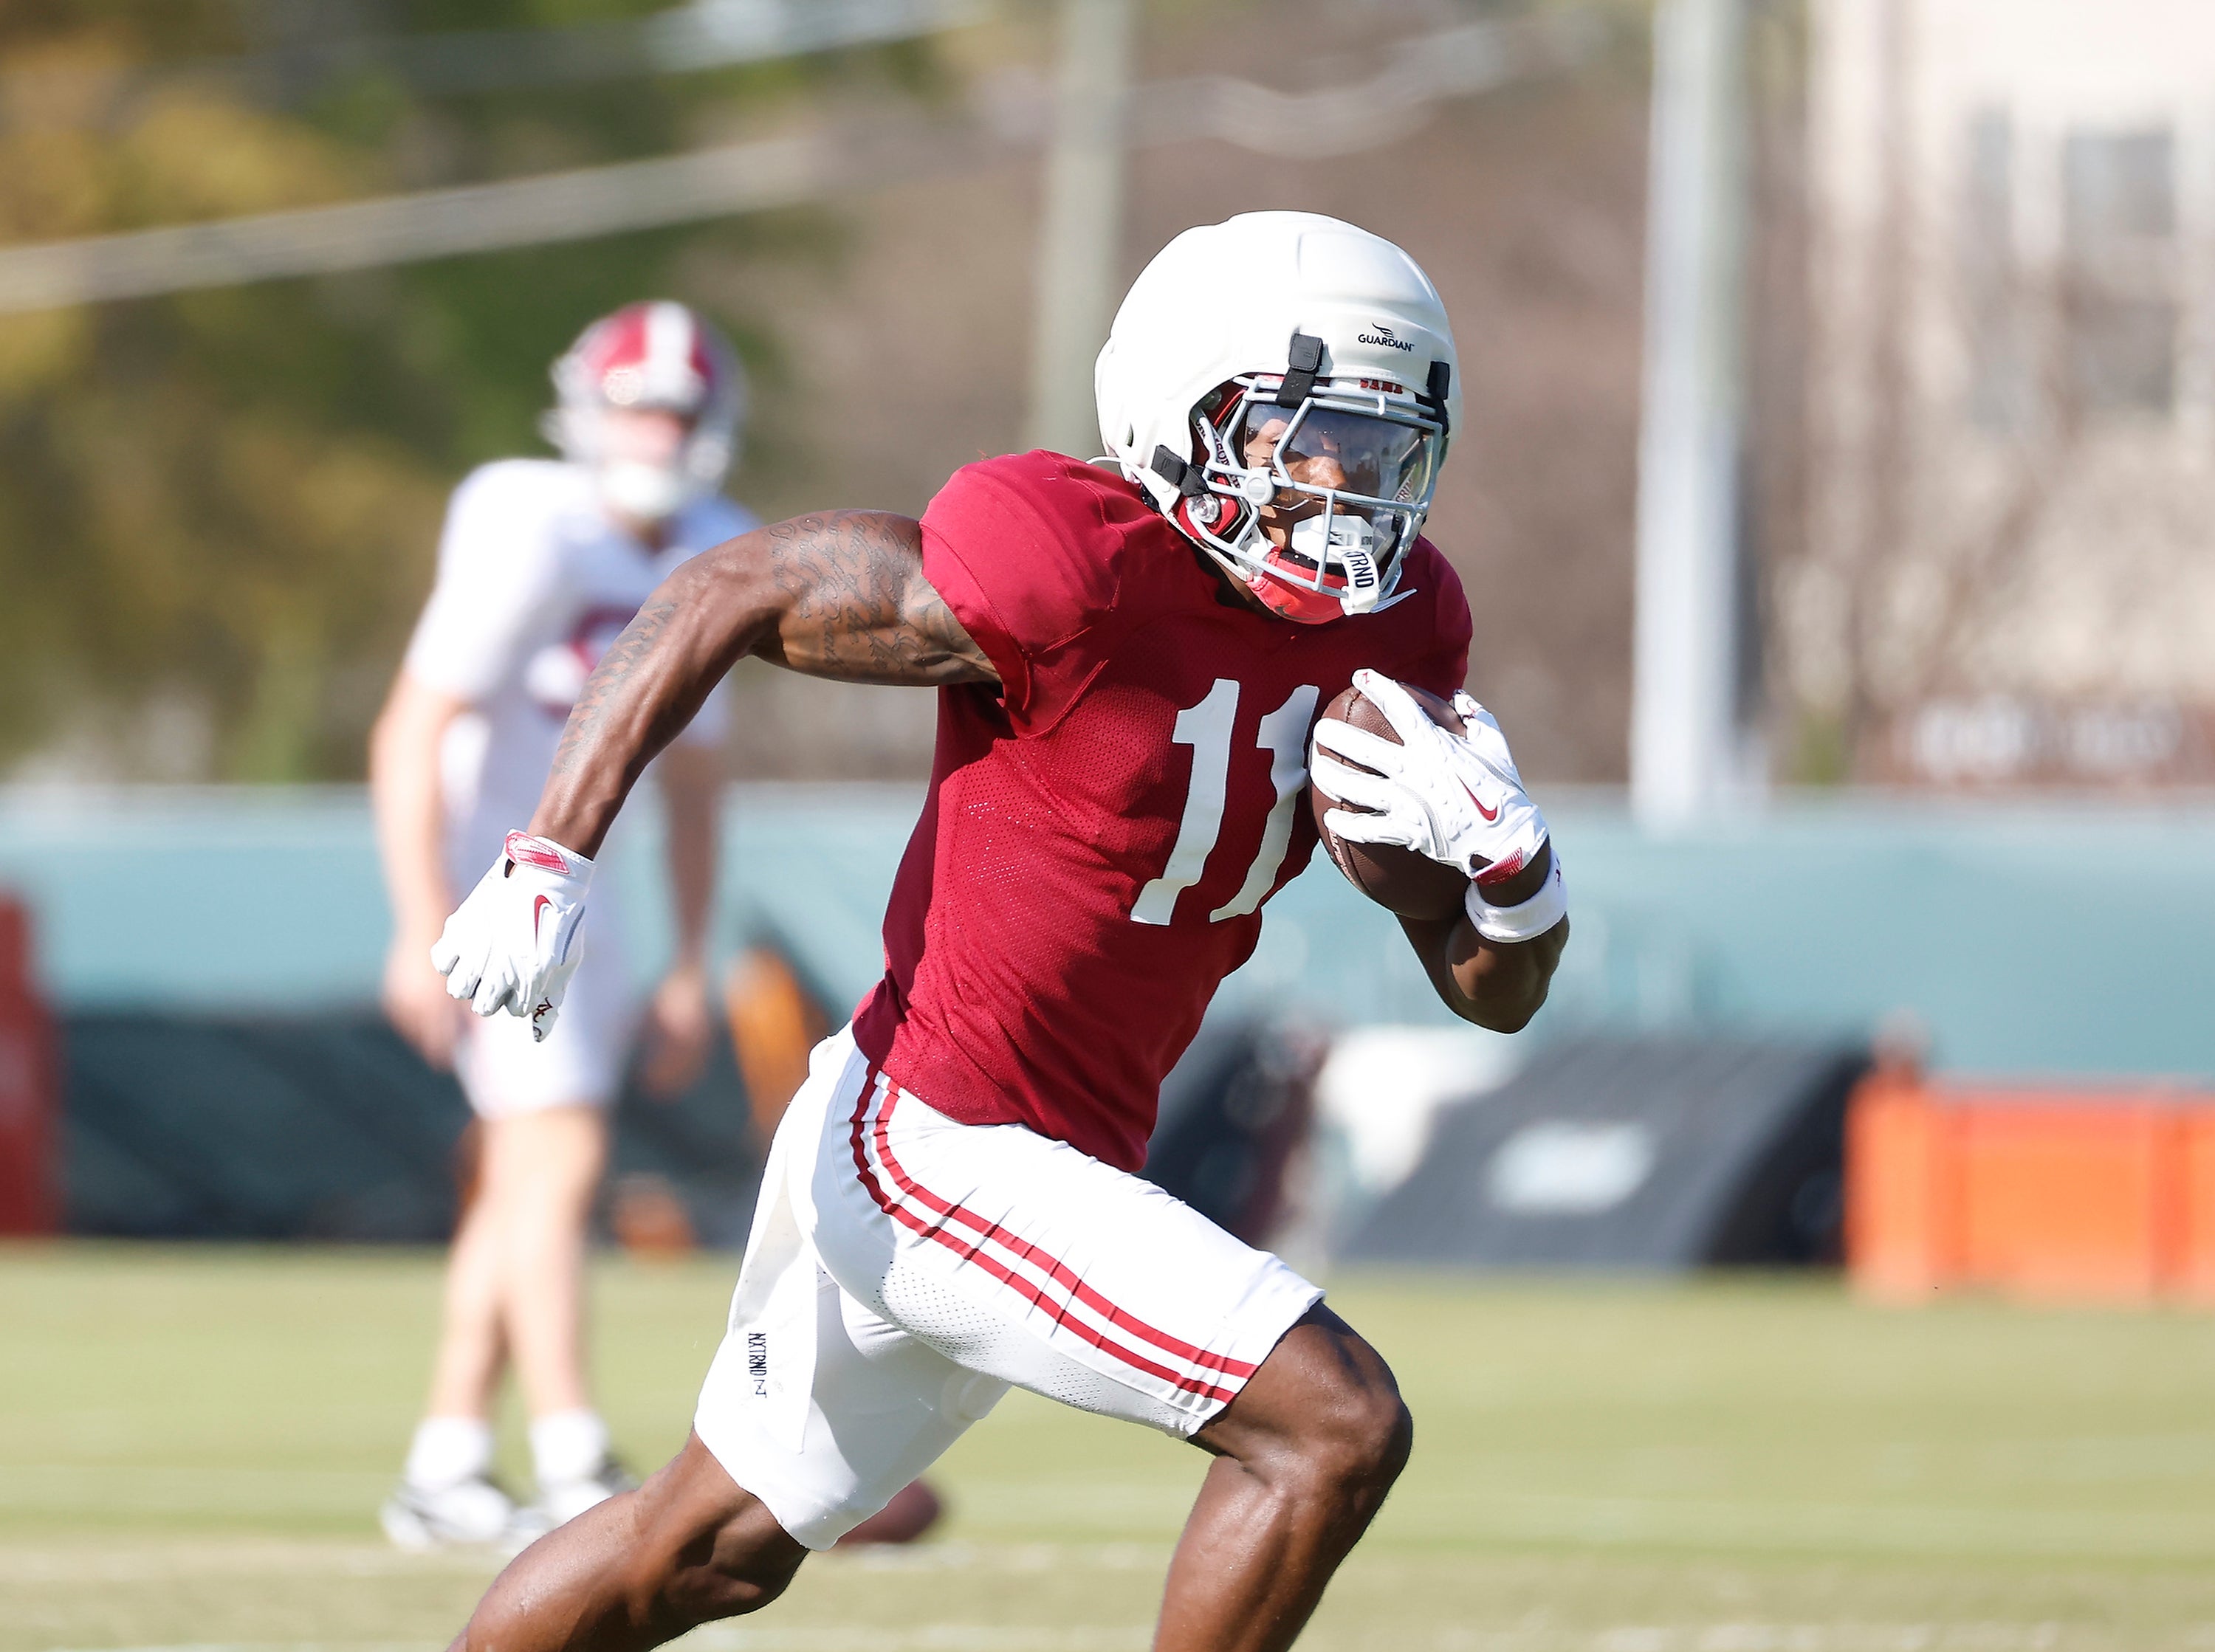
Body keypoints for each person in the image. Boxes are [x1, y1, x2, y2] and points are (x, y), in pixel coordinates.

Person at [427, 212, 1570, 1651]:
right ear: (1184, 415)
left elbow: (1493, 991)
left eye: (1379, 442)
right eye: (1303, 435)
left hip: (1046, 1156)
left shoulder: (1399, 631)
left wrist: (1517, 874)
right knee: (1333, 1423)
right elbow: (729, 587)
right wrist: (552, 854)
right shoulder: (1072, 566)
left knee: (702, 1551)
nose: (1345, 487)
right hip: (934, 1137)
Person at [370, 301, 755, 1547]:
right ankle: (573, 1446)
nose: (654, 431)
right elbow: (412, 727)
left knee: (524, 1173)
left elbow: (696, 777)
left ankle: (445, 1458)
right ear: (587, 411)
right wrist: (421, 915)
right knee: (562, 1157)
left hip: (598, 883)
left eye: (675, 410)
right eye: (635, 404)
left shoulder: (721, 547)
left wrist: (695, 957)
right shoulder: (529, 523)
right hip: (507, 881)